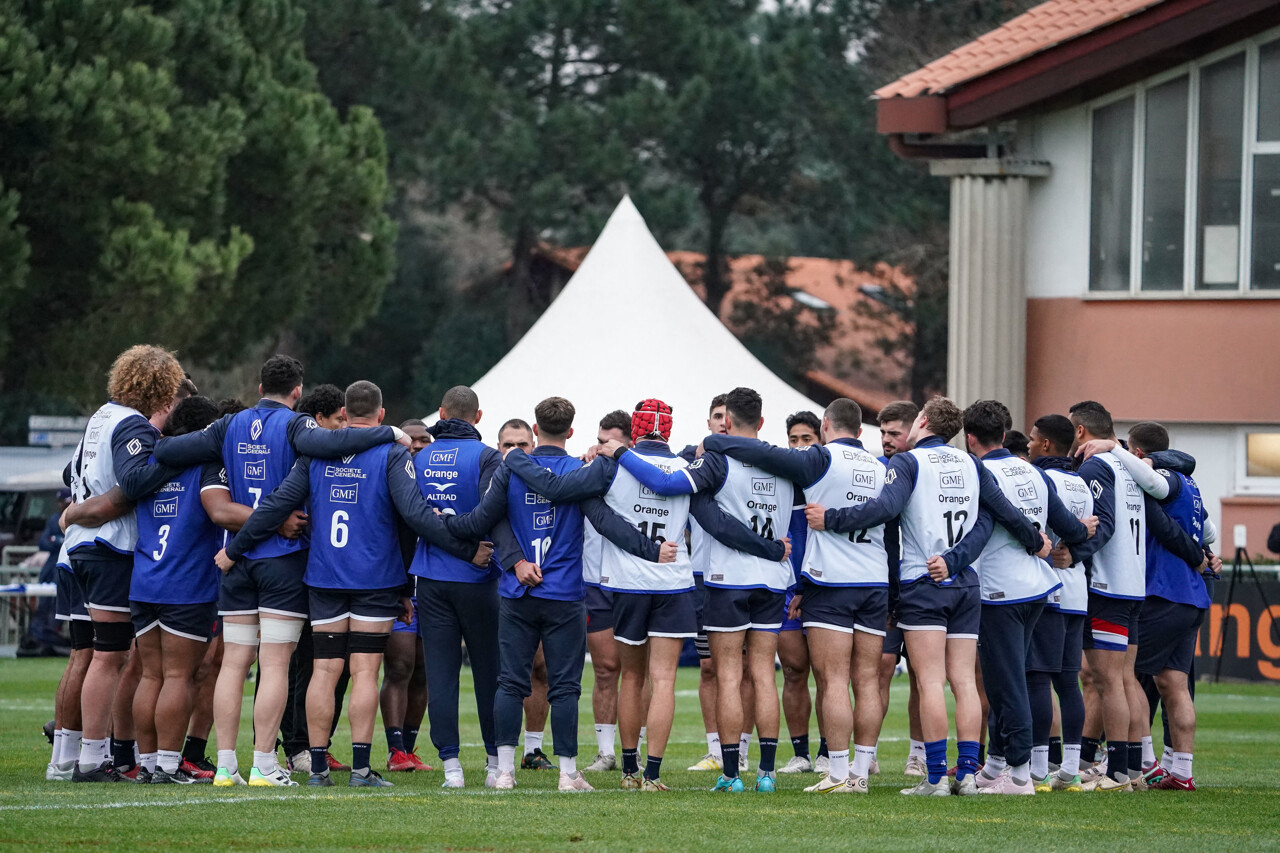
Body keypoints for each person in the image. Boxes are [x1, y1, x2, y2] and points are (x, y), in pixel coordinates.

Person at [217, 380, 492, 789]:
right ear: (381, 415)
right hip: (374, 579)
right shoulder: (392, 454)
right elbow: (415, 517)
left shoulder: (315, 454)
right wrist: (464, 552)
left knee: (325, 670)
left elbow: (276, 504)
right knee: (365, 671)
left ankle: (317, 769)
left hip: (324, 577)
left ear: (344, 414)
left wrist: (235, 549)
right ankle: (362, 770)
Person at [507, 397, 784, 791]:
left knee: (632, 678)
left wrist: (517, 458)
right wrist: (770, 547)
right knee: (664, 680)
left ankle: (629, 772)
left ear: (634, 430)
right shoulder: (688, 468)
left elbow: (574, 499)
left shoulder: (611, 464)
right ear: (668, 430)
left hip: (627, 584)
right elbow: (717, 523)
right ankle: (654, 774)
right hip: (674, 584)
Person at [153, 355, 405, 787]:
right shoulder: (297, 425)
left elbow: (168, 450)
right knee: (274, 666)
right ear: (297, 392)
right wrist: (390, 432)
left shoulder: (229, 425)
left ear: (258, 388)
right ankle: (264, 764)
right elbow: (335, 445)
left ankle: (226, 767)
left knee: (233, 664)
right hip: (282, 558)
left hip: (236, 559)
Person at [805, 396, 1050, 796]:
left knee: (931, 681)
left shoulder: (908, 462)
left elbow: (884, 508)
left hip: (923, 581)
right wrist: (1034, 541)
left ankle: (936, 778)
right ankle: (967, 776)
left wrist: (830, 518)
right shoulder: (971, 463)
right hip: (966, 582)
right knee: (964, 682)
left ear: (922, 421)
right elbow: (999, 513)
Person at [446, 396, 676, 792]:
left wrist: (447, 523)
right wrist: (652, 550)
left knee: (510, 682)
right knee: (565, 686)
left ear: (535, 430)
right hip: (565, 594)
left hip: (517, 592)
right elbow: (608, 523)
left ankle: (504, 772)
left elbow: (483, 520)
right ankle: (568, 774)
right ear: (571, 431)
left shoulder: (511, 467)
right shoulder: (581, 472)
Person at [612, 388, 798, 793]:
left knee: (728, 676)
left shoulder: (716, 460)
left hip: (728, 579)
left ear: (725, 422)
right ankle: (766, 774)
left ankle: (731, 774)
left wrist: (621, 452)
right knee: (764, 675)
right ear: (761, 422)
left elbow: (679, 492)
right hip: (773, 579)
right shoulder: (785, 463)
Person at [703, 398, 889, 794]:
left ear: (825, 427)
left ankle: (833, 773)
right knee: (867, 680)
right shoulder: (880, 466)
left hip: (829, 580)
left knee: (828, 679)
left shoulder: (819, 459)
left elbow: (762, 453)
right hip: (875, 579)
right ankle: (858, 771)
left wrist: (714, 441)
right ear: (861, 430)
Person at [1058, 401, 1206, 792]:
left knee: (1108, 681)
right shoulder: (1133, 468)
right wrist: (1202, 554)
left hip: (1110, 585)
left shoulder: (1100, 466)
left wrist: (1074, 552)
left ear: (1080, 431)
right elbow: (1180, 524)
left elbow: (1104, 525)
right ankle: (1138, 768)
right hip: (1138, 588)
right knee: (1128, 680)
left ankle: (1118, 770)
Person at [61, 345, 186, 782]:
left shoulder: (101, 416)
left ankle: (92, 754)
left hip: (83, 546)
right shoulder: (132, 423)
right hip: (109, 546)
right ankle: (93, 759)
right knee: (110, 655)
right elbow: (133, 481)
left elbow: (69, 474)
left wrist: (80, 506)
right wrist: (173, 456)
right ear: (160, 386)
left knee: (107, 653)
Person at [960, 401, 1094, 796]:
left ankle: (1019, 775)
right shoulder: (1033, 471)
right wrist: (1082, 531)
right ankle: (995, 765)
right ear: (1004, 435)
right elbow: (1069, 526)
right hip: (1037, 588)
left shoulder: (980, 472)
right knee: (1006, 678)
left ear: (970, 438)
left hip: (1000, 590)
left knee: (1007, 683)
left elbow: (993, 523)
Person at [411, 386, 503, 788]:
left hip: (431, 578)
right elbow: (490, 512)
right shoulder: (486, 456)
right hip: (478, 577)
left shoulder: (419, 456)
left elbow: (413, 515)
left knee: (441, 673)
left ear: (442, 413)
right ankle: (494, 762)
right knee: (489, 672)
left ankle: (451, 767)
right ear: (478, 417)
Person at [1026, 414, 1094, 792]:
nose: (1029, 445)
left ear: (1046, 444)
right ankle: (1070, 768)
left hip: (1049, 590)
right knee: (1069, 682)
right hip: (1077, 592)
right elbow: (1088, 531)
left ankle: (1038, 768)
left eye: (1033, 439)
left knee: (1037, 677)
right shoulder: (1081, 482)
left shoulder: (1042, 480)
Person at [580, 410, 637, 773]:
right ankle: (606, 753)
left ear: (629, 444)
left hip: (634, 581)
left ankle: (637, 749)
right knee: (605, 668)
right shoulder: (588, 470)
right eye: (599, 441)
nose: (601, 447)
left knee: (637, 671)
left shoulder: (645, 475)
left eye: (609, 442)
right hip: (595, 581)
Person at [873, 400, 921, 777]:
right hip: (887, 588)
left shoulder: (925, 469)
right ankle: (867, 753)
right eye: (883, 433)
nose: (886, 440)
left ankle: (918, 754)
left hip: (922, 587)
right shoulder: (877, 471)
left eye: (894, 433)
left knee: (922, 673)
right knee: (881, 668)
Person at [381, 419, 433, 773]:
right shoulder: (390, 477)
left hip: (432, 587)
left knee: (424, 670)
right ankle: (395, 749)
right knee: (399, 665)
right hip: (398, 586)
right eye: (410, 440)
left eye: (423, 440)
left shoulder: (440, 482)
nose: (416, 445)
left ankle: (409, 748)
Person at [776, 411, 820, 775]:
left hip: (823, 588)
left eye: (807, 438)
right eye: (794, 439)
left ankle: (830, 753)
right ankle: (801, 754)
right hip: (787, 589)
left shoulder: (830, 481)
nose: (800, 445)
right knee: (793, 670)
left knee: (829, 674)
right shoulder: (780, 480)